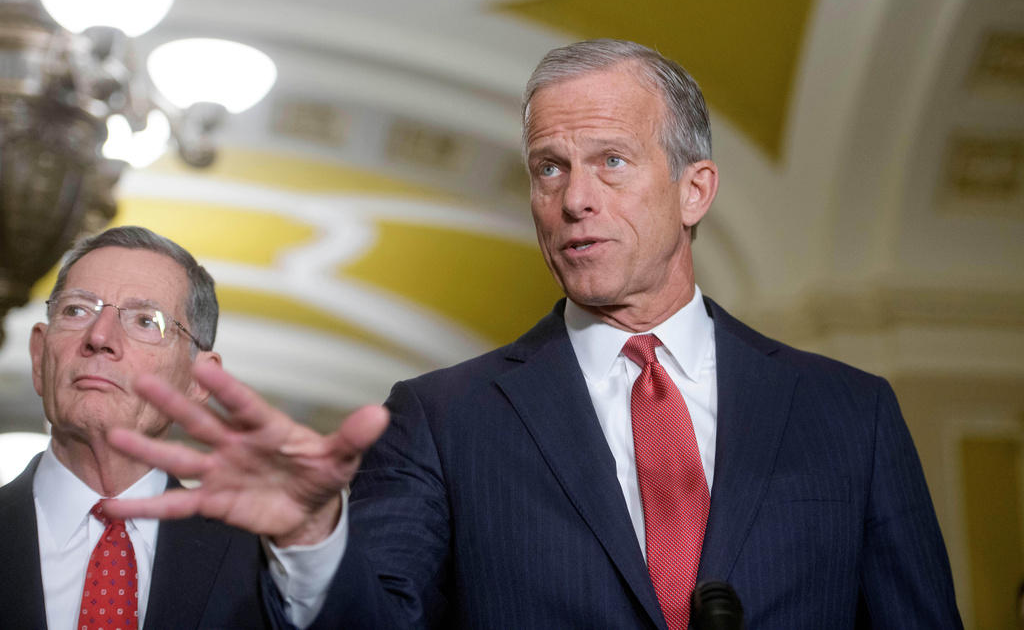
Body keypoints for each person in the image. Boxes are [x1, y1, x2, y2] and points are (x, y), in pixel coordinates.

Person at [104, 40, 963, 628]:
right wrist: (311, 537)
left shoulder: (850, 412)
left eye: (611, 162)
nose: (574, 198)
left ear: (696, 189)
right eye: (550, 167)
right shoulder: (442, 418)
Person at [0, 226, 384, 629]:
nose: (99, 337)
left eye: (146, 321)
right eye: (76, 310)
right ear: (39, 355)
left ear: (198, 381)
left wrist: (309, 532)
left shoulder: (270, 562)